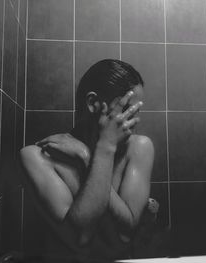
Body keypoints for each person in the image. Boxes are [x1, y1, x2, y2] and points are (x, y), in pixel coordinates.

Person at [20, 59, 155, 260]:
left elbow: (126, 234)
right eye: (128, 110)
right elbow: (80, 239)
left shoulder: (139, 147)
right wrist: (104, 150)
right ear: (93, 103)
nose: (134, 122)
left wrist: (88, 157)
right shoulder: (35, 157)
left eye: (137, 112)